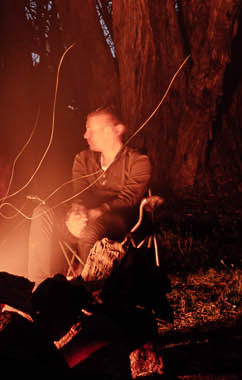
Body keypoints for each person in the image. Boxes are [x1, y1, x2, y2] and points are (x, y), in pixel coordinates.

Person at [28, 106, 152, 279]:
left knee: (89, 230)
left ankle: (90, 290)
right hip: (85, 218)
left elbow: (129, 199)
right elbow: (79, 193)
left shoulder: (137, 161)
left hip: (119, 223)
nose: (86, 136)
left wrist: (96, 212)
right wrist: (75, 212)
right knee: (41, 213)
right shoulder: (83, 159)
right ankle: (38, 285)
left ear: (112, 131)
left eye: (91, 130)